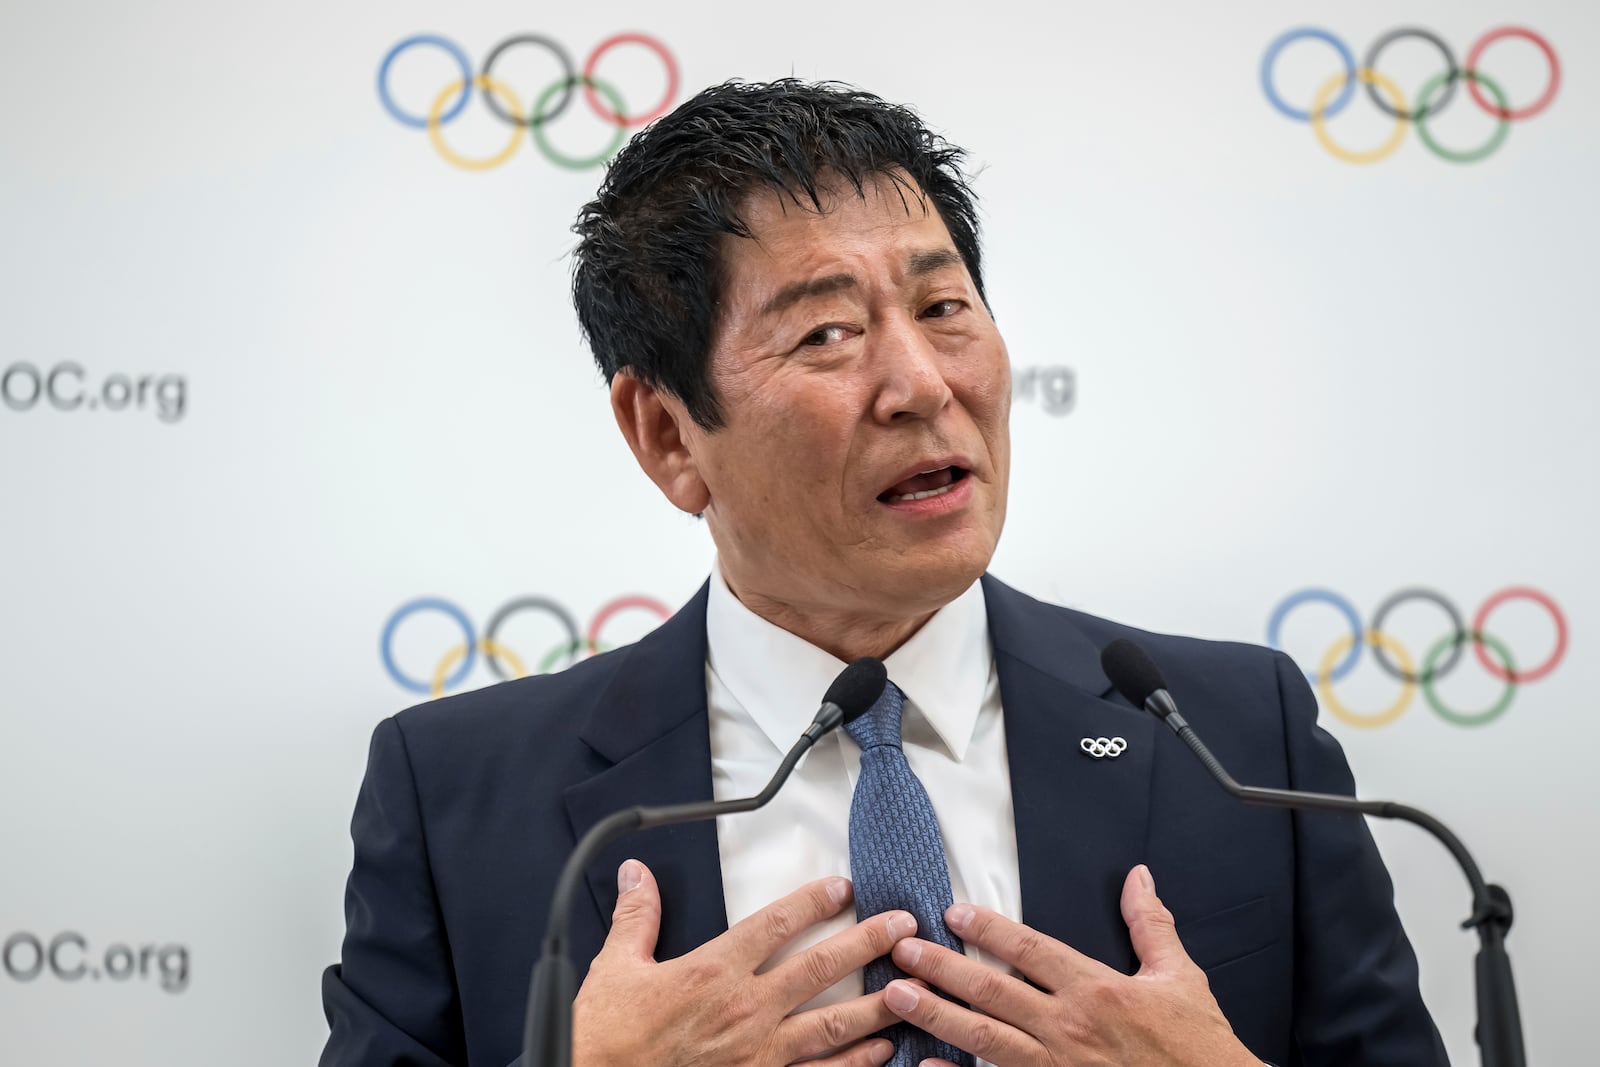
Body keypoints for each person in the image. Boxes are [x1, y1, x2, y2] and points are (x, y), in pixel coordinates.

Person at [321, 79, 1449, 1067]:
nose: (919, 382)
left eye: (943, 306)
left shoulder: (1244, 738)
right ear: (667, 433)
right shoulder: (457, 791)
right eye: (825, 335)